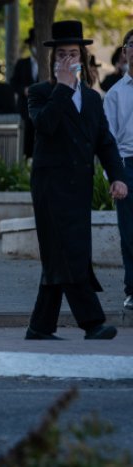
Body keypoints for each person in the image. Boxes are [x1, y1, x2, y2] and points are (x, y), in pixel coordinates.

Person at [25, 20, 127, 341]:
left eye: (74, 54)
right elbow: (45, 126)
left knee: (62, 254)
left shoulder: (93, 99)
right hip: (51, 188)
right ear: (53, 60)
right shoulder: (40, 93)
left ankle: (39, 327)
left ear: (82, 58)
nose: (69, 60)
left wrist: (117, 177)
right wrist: (62, 90)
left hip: (79, 188)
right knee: (70, 253)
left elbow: (105, 142)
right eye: (63, 55)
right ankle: (92, 322)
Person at [104, 28, 133, 310]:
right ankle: (132, 288)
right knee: (129, 232)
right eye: (132, 45)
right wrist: (113, 177)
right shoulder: (114, 95)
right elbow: (107, 139)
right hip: (127, 166)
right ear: (124, 52)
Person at [11, 29, 40, 158]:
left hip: (42, 111)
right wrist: (24, 90)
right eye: (35, 44)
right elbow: (13, 83)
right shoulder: (21, 64)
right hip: (24, 110)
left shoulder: (50, 65)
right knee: (24, 142)